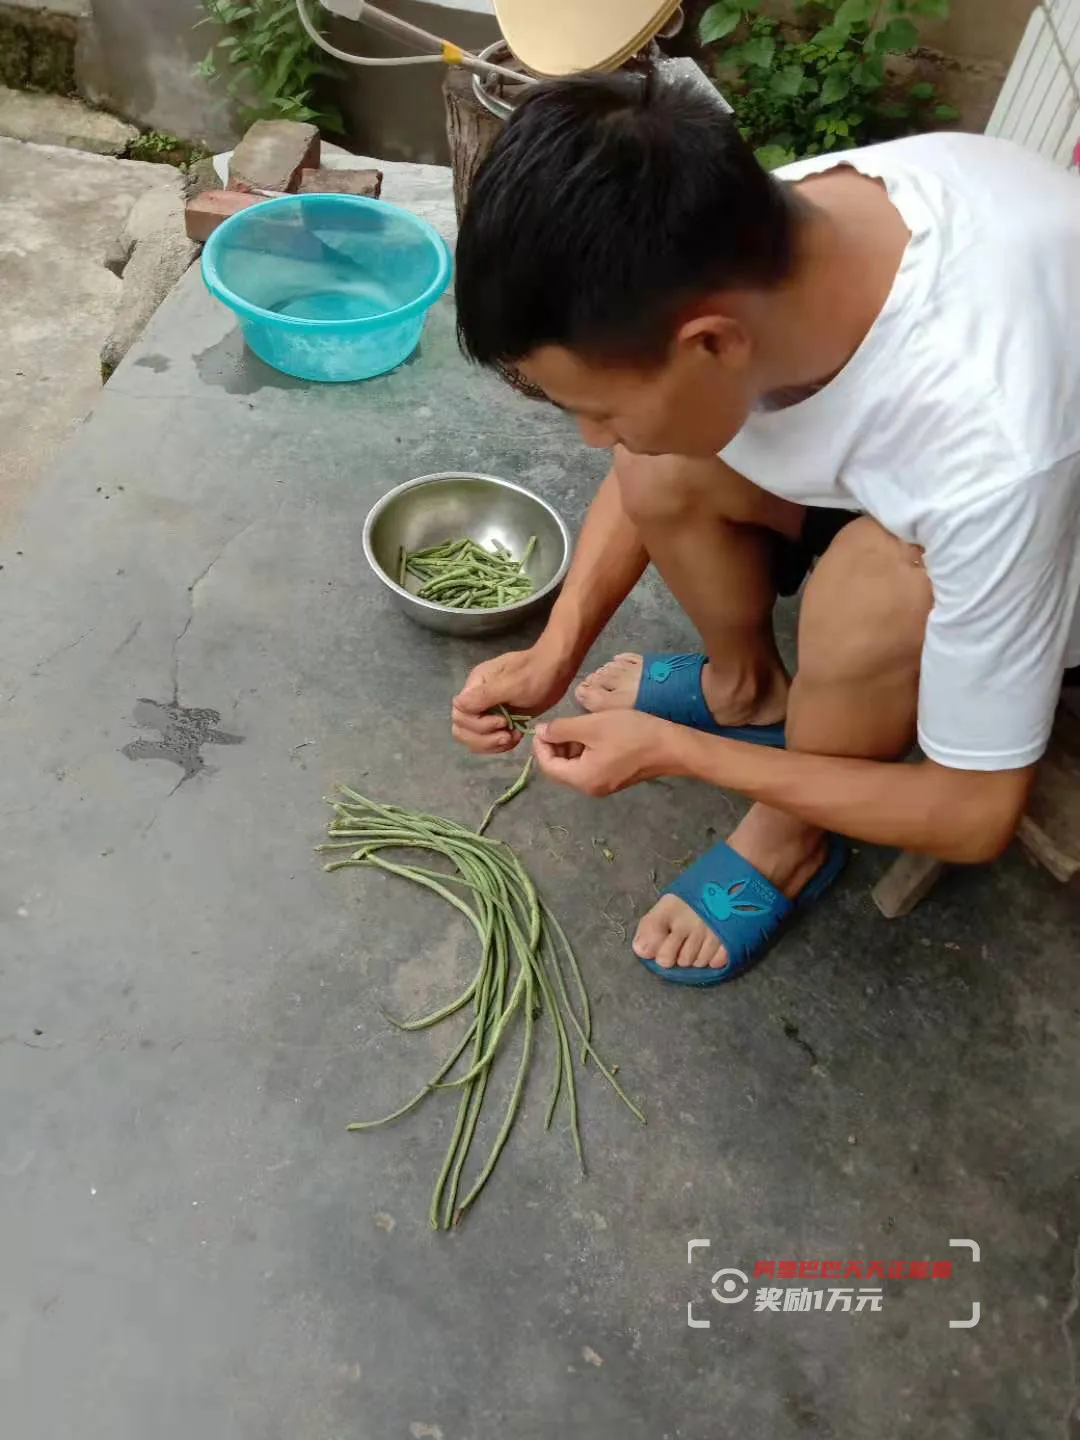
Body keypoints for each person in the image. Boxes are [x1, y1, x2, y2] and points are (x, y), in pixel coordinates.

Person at [449, 70, 1080, 986]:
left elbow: (975, 810)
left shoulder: (992, 443)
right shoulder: (748, 228)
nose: (587, 437)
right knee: (656, 456)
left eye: (594, 407)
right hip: (914, 470)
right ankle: (747, 692)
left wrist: (681, 754)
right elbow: (644, 453)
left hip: (1055, 527)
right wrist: (556, 650)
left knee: (869, 594)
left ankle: (789, 839)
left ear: (712, 344)